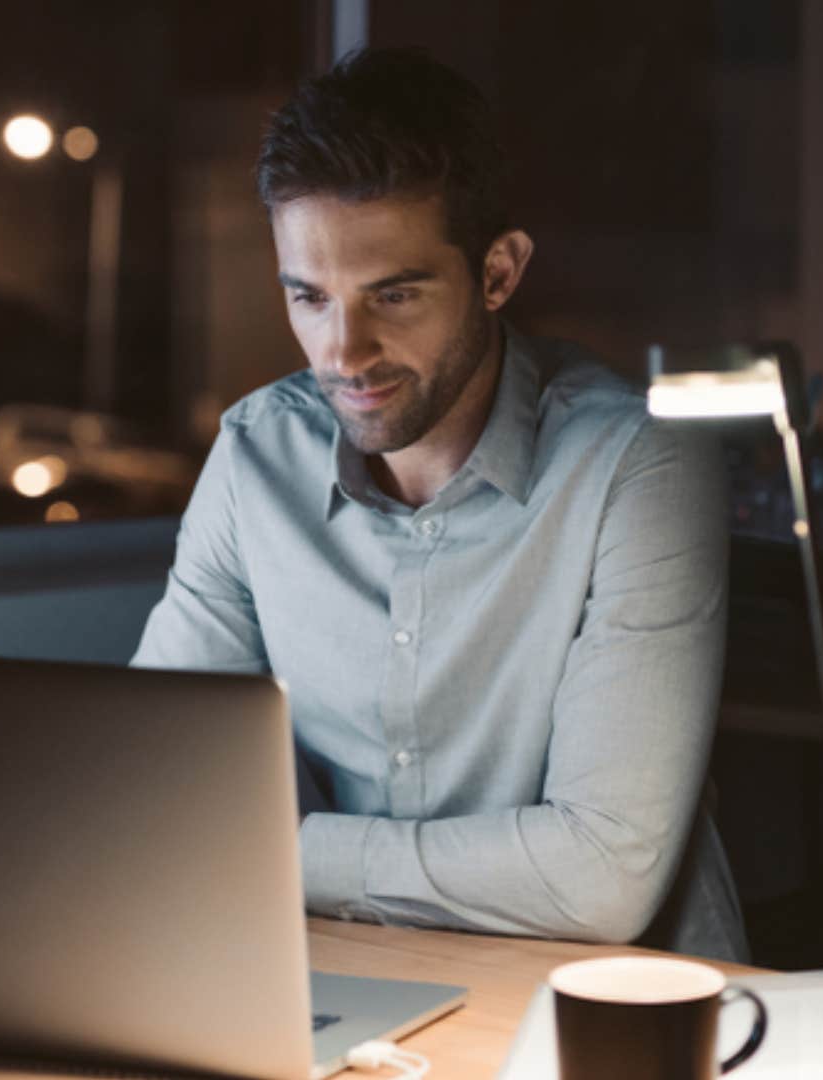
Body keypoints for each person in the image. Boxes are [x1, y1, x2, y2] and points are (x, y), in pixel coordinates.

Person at [131, 47, 745, 962]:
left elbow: (602, 875)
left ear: (498, 273)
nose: (343, 351)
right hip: (328, 979)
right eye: (308, 297)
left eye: (395, 295)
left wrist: (269, 853)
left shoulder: (639, 465)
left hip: (604, 1006)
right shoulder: (256, 453)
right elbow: (149, 790)